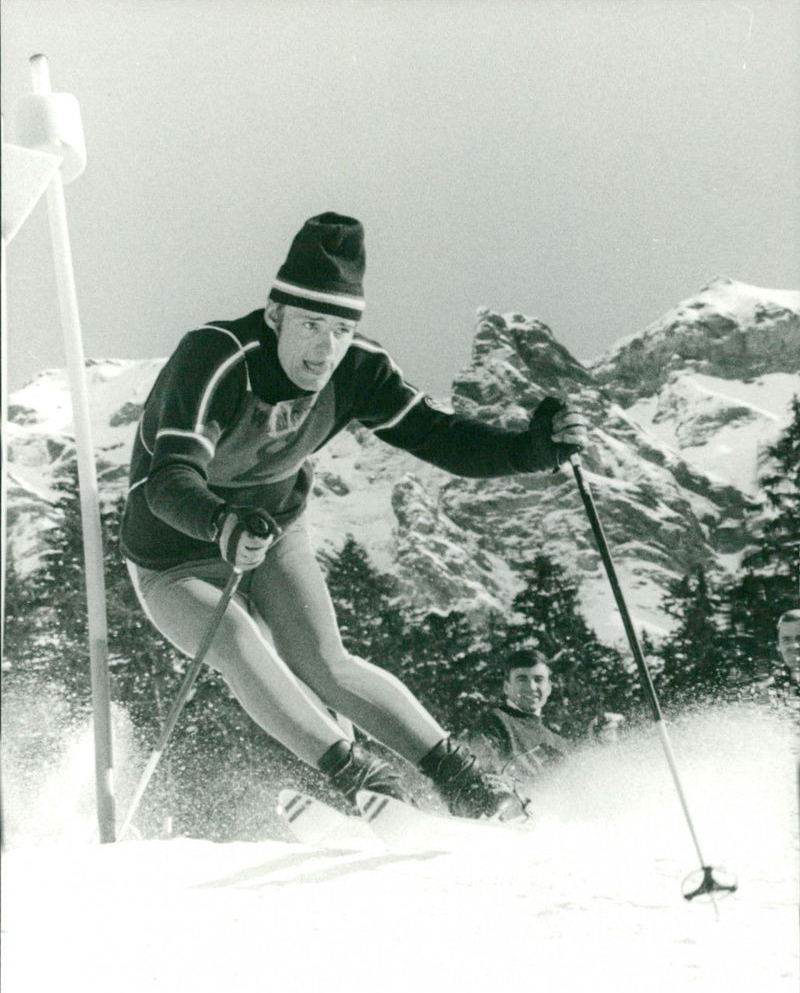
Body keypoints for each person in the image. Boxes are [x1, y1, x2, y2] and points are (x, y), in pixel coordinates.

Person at [121, 212, 587, 819]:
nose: (325, 348)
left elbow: (441, 438)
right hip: (173, 546)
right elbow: (169, 479)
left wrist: (532, 450)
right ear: (274, 315)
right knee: (237, 641)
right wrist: (220, 525)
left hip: (272, 528)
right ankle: (365, 781)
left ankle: (469, 785)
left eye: (340, 328)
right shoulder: (216, 356)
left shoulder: (358, 369)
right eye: (311, 324)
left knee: (325, 662)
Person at [474, 647, 568, 782]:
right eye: (522, 679)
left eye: (538, 679)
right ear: (507, 687)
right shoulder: (494, 721)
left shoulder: (558, 743)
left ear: (548, 688)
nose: (531, 687)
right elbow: (487, 774)